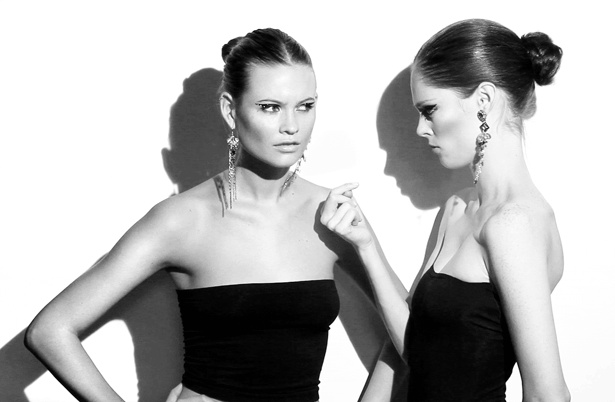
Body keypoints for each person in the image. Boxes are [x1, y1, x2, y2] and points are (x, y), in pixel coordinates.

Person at [24, 28, 403, 402]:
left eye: (305, 105)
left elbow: (417, 330)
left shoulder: (332, 212)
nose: (292, 126)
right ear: (230, 110)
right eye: (270, 107)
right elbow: (50, 331)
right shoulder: (181, 220)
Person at [321, 19, 570, 401]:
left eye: (430, 109)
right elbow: (418, 351)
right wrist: (366, 246)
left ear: (483, 101)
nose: (420, 129)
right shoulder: (457, 209)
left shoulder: (514, 224)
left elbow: (547, 395)